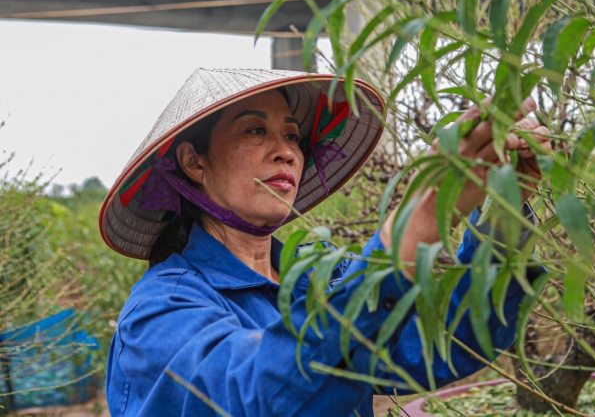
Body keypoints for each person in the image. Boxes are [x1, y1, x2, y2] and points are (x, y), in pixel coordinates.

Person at [99, 68, 551, 417]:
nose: (287, 151)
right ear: (194, 162)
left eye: (292, 135)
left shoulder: (315, 278)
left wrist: (504, 216)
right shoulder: (162, 310)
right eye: (255, 130)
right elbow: (250, 396)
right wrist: (409, 233)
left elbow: (443, 341)